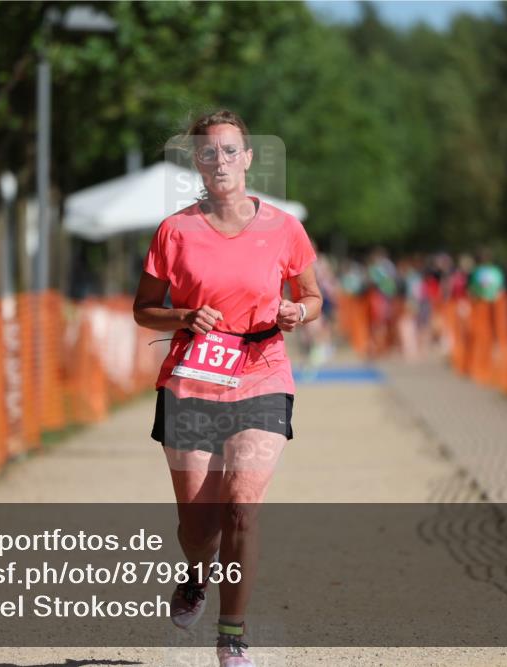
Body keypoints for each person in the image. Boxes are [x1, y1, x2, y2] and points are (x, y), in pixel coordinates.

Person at [133, 109, 321, 667]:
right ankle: (195, 573)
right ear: (197, 161)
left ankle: (232, 635)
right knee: (199, 526)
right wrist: (186, 316)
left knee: (242, 508)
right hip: (193, 380)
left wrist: (297, 312)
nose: (221, 161)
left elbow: (312, 296)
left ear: (248, 157)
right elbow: (145, 310)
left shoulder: (284, 227)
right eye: (209, 152)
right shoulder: (174, 230)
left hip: (262, 370)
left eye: (231, 151)